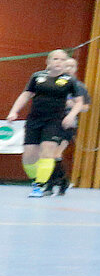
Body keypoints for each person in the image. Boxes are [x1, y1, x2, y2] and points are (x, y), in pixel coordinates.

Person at [7, 49, 87, 197]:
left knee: (48, 152)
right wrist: (14, 111)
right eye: (56, 59)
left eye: (63, 60)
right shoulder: (37, 77)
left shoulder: (70, 81)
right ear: (48, 62)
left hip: (55, 121)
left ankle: (40, 186)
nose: (59, 63)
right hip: (35, 120)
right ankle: (37, 180)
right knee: (29, 157)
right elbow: (26, 95)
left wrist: (71, 115)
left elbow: (79, 103)